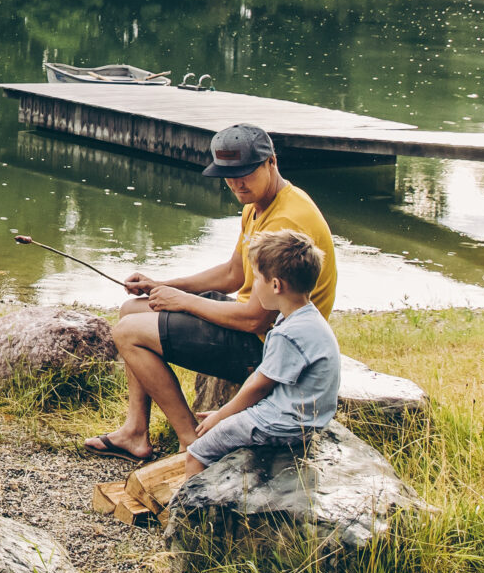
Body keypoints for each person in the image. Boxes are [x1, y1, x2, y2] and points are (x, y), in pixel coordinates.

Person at [85, 123, 338, 464]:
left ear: (271, 163)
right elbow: (234, 273)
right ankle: (135, 431)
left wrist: (184, 301)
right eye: (228, 175)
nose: (236, 184)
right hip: (256, 322)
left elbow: (253, 320)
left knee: (128, 334)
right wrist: (165, 286)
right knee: (133, 309)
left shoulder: (287, 219)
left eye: (244, 173)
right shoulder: (258, 204)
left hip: (274, 347)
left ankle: (191, 440)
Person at [186, 229, 340, 463]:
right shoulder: (309, 319)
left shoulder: (288, 333)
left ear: (276, 285)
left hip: (280, 424)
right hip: (309, 421)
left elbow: (259, 386)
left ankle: (189, 500)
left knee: (196, 453)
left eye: (257, 278)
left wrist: (221, 417)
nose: (253, 286)